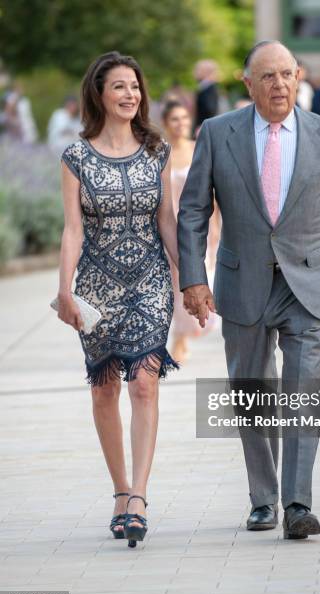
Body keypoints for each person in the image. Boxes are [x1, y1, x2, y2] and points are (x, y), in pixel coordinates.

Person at [177, 40, 320, 539]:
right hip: (243, 281)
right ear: (247, 82)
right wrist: (193, 278)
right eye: (267, 77)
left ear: (299, 76)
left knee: (302, 390)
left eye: (286, 74)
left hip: (308, 278)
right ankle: (263, 498)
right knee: (252, 390)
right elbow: (193, 210)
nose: (279, 85)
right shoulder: (218, 133)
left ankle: (298, 503)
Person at [56, 51, 179, 548]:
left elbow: (167, 219)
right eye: (119, 87)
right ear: (99, 95)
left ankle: (140, 498)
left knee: (145, 385)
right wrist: (64, 291)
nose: (130, 95)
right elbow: (72, 229)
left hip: (149, 279)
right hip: (97, 287)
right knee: (104, 388)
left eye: (135, 87)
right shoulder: (75, 157)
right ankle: (119, 490)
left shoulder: (158, 150)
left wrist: (190, 279)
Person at [161, 100, 220, 362]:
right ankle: (180, 336)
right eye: (175, 118)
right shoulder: (159, 154)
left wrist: (217, 224)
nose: (181, 123)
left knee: (201, 277)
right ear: (165, 123)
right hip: (169, 227)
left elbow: (214, 192)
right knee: (176, 283)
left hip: (200, 227)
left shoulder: (200, 150)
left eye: (184, 117)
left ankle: (191, 328)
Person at [193, 59, 220, 134]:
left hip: (204, 130)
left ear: (206, 72)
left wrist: (203, 126)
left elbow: (210, 110)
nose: (194, 72)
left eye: (197, 69)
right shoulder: (204, 88)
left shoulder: (210, 89)